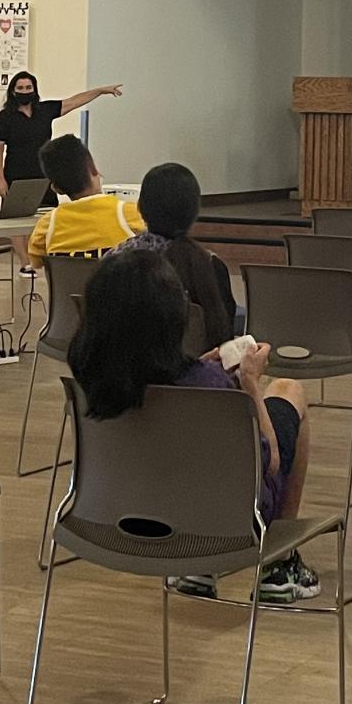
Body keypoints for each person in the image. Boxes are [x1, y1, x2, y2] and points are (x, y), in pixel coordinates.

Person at [68, 250, 317, 603]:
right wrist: (249, 385)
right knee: (289, 390)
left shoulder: (88, 385)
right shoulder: (209, 384)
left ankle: (197, 571)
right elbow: (270, 463)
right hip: (223, 524)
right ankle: (279, 562)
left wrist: (201, 368)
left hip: (117, 518)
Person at [0, 71, 122, 265]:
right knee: (15, 220)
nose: (25, 91)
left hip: (44, 175)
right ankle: (26, 264)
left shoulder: (45, 110)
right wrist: (0, 179)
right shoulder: (5, 117)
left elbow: (74, 101)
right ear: (13, 91)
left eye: (28, 87)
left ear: (34, 89)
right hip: (15, 175)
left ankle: (41, 259)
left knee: (46, 216)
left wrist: (100, 91)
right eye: (20, 88)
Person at [108, 162, 236, 351]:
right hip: (190, 367)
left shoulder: (113, 259)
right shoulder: (210, 265)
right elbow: (222, 338)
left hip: (119, 366)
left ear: (141, 207)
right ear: (194, 211)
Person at [27, 135, 144, 266]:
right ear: (93, 168)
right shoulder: (132, 214)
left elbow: (36, 263)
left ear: (56, 189)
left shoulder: (47, 226)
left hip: (69, 280)